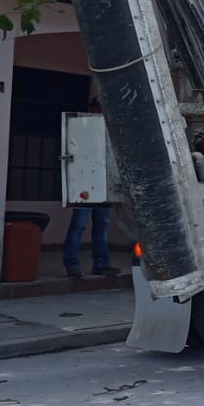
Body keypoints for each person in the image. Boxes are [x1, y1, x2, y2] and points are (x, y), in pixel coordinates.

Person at [64, 97, 120, 280]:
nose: (100, 111)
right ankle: (72, 264)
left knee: (101, 226)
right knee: (79, 225)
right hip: (85, 184)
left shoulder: (109, 128)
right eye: (98, 107)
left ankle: (101, 264)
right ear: (91, 108)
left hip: (103, 184)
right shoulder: (82, 126)